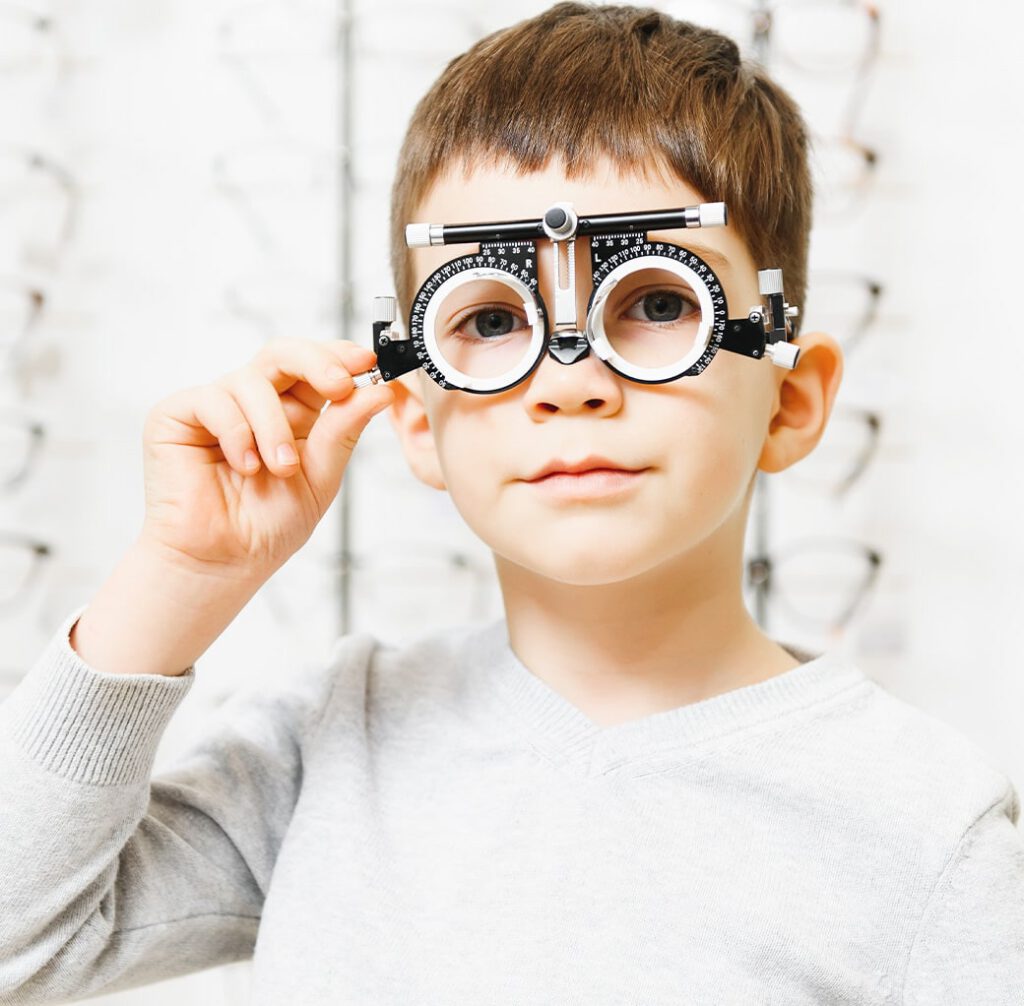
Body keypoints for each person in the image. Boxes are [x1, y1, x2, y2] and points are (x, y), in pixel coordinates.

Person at [2, 3, 1022, 1003]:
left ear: (790, 400)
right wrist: (181, 576)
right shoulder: (328, 746)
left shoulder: (918, 819)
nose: (568, 379)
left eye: (659, 302)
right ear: (414, 415)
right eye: (491, 316)